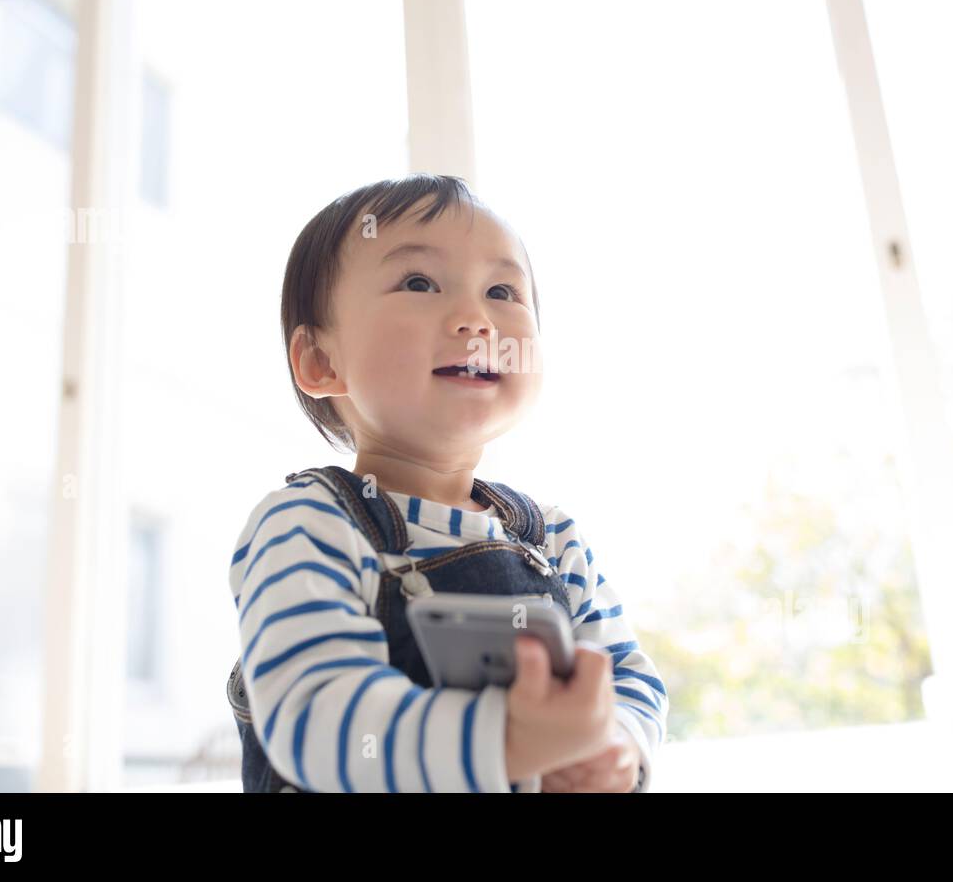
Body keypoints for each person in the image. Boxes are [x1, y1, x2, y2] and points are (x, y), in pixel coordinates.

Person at [226, 173, 668, 792]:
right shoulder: (309, 523)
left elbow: (626, 673)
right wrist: (504, 741)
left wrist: (616, 744)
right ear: (320, 361)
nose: (475, 318)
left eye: (502, 290)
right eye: (418, 283)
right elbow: (313, 714)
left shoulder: (553, 539)